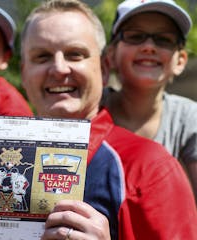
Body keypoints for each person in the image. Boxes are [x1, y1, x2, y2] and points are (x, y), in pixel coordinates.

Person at [20, 0, 197, 239]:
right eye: (42, 57)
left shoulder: (152, 168)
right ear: (23, 73)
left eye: (75, 54)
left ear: (104, 68)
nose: (59, 68)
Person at [101, 0, 197, 201]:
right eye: (135, 36)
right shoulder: (92, 109)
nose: (149, 47)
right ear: (110, 56)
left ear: (180, 60)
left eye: (164, 39)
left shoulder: (189, 118)